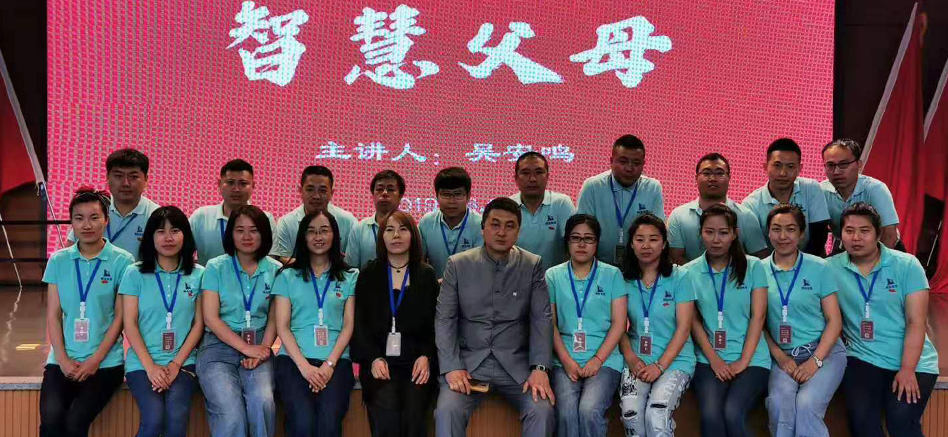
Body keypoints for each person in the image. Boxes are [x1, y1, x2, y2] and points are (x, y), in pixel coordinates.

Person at [434, 197, 555, 437]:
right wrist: (451, 367)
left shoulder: (532, 265)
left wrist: (540, 368)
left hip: (516, 366)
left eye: (510, 226)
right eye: (495, 224)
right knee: (447, 411)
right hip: (469, 365)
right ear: (483, 228)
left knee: (542, 410)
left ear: (518, 231)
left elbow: (542, 319)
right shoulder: (457, 265)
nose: (501, 232)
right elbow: (444, 319)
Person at [828, 203, 939, 437]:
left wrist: (907, 369)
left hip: (913, 360)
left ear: (878, 234)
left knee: (901, 419)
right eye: (849, 231)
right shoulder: (830, 268)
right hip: (863, 356)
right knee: (862, 422)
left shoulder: (907, 265)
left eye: (864, 231)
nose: (856, 238)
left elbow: (916, 322)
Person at [40, 188, 134, 437]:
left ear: (106, 220)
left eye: (94, 217)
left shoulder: (122, 261)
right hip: (62, 360)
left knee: (75, 424)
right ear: (72, 223)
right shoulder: (58, 260)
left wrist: (96, 359)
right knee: (50, 423)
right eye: (79, 218)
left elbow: (120, 318)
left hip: (106, 363)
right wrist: (62, 359)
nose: (86, 225)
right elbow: (53, 314)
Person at [684, 204, 770, 437]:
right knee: (711, 415)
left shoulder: (754, 267)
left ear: (735, 234)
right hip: (708, 359)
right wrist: (715, 360)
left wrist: (743, 361)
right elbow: (693, 322)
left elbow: (758, 316)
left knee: (732, 413)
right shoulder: (688, 272)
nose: (716, 239)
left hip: (753, 359)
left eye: (723, 232)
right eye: (709, 232)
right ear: (700, 233)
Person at [352, 210, 440, 437]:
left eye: (403, 229)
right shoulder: (369, 273)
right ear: (381, 236)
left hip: (416, 361)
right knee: (386, 411)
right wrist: (372, 358)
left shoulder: (426, 275)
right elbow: (360, 324)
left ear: (413, 235)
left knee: (414, 415)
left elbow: (435, 324)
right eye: (389, 230)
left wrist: (426, 356)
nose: (396, 235)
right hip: (379, 361)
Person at [760, 204, 845, 437]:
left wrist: (815, 361)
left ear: (801, 233)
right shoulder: (757, 270)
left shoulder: (820, 267)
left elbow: (834, 321)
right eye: (776, 229)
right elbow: (757, 323)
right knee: (779, 403)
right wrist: (780, 357)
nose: (783, 236)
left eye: (790, 229)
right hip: (782, 356)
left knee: (807, 405)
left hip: (824, 352)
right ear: (768, 232)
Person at [120, 206, 205, 437]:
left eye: (175, 231)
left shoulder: (199, 274)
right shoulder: (134, 273)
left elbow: (198, 324)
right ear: (151, 237)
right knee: (154, 419)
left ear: (185, 236)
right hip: (142, 363)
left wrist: (176, 364)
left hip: (184, 362)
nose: (168, 238)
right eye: (161, 231)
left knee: (177, 419)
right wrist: (150, 367)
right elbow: (130, 323)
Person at [272, 210, 358, 437]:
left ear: (334, 235)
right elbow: (282, 327)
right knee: (303, 423)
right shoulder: (287, 276)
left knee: (328, 424)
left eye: (324, 231)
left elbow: (348, 325)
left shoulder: (350, 276)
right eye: (311, 232)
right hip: (293, 361)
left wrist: (328, 365)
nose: (318, 237)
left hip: (336, 361)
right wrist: (305, 368)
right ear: (303, 237)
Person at [197, 205, 281, 437]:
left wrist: (262, 350)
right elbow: (210, 318)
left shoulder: (276, 270)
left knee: (262, 401)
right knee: (231, 412)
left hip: (260, 346)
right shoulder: (215, 267)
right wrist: (246, 348)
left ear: (264, 234)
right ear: (231, 234)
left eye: (253, 230)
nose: (246, 236)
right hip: (218, 348)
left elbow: (274, 318)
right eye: (239, 230)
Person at [546, 214, 627, 437]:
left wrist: (597, 360)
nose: (582, 244)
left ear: (597, 242)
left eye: (588, 238)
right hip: (564, 358)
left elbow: (619, 324)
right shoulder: (552, 275)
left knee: (589, 410)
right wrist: (566, 361)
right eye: (575, 238)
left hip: (605, 359)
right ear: (567, 241)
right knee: (566, 412)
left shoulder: (613, 275)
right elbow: (550, 324)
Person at [617, 213, 696, 437]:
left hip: (675, 360)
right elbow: (618, 327)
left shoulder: (681, 276)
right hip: (637, 360)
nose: (646, 245)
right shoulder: (622, 279)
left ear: (664, 244)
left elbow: (684, 328)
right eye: (640, 239)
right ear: (631, 244)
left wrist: (660, 366)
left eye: (653, 239)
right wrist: (631, 359)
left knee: (656, 415)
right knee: (631, 415)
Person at [577, 135, 666, 266]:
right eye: (623, 162)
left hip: (639, 267)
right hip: (597, 266)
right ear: (611, 161)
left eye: (636, 163)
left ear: (643, 164)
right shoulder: (593, 186)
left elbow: (658, 232)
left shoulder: (652, 188)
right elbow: (582, 231)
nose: (629, 168)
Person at [667, 153, 770, 265]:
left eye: (719, 173)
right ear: (696, 178)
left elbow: (760, 259)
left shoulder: (747, 216)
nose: (712, 178)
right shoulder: (678, 216)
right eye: (706, 173)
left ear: (729, 178)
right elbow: (676, 257)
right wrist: (701, 275)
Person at [742, 138, 831, 256]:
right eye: (777, 166)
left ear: (800, 168)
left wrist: (804, 264)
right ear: (765, 166)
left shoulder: (811, 188)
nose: (783, 173)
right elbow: (756, 250)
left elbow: (819, 235)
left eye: (790, 166)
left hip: (811, 260)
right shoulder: (750, 205)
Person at [66, 148, 159, 260]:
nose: (125, 183)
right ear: (107, 177)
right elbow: (69, 252)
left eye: (133, 177)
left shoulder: (156, 216)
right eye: (118, 176)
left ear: (146, 179)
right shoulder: (95, 208)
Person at [189, 159, 277, 265]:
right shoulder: (201, 216)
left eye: (243, 183)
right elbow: (183, 253)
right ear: (219, 183)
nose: (236, 189)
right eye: (230, 183)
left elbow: (271, 260)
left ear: (253, 185)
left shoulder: (265, 218)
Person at [820, 139, 901, 250]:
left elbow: (889, 236)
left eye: (844, 164)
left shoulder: (875, 189)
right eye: (830, 165)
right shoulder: (821, 191)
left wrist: (871, 260)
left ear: (859, 164)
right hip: (847, 248)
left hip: (884, 249)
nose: (837, 171)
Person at [273, 165, 358, 264]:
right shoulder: (286, 223)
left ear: (332, 193)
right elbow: (283, 259)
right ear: (300, 190)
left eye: (323, 190)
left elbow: (353, 262)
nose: (316, 196)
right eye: (310, 190)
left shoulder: (348, 221)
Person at [510, 151, 576, 270]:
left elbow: (575, 244)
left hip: (554, 278)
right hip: (514, 278)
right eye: (525, 173)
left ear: (547, 176)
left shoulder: (561, 204)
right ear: (516, 178)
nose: (532, 179)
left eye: (539, 172)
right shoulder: (508, 206)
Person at [418, 167, 483, 279]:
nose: (452, 201)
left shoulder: (480, 224)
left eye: (458, 194)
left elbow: (481, 267)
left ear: (468, 196)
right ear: (437, 196)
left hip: (470, 287)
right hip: (434, 287)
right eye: (446, 194)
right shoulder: (426, 222)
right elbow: (420, 263)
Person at [346, 170, 406, 269]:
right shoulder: (359, 229)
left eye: (390, 189)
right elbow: (351, 271)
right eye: (379, 189)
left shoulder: (409, 228)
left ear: (400, 196)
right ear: (373, 194)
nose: (384, 193)